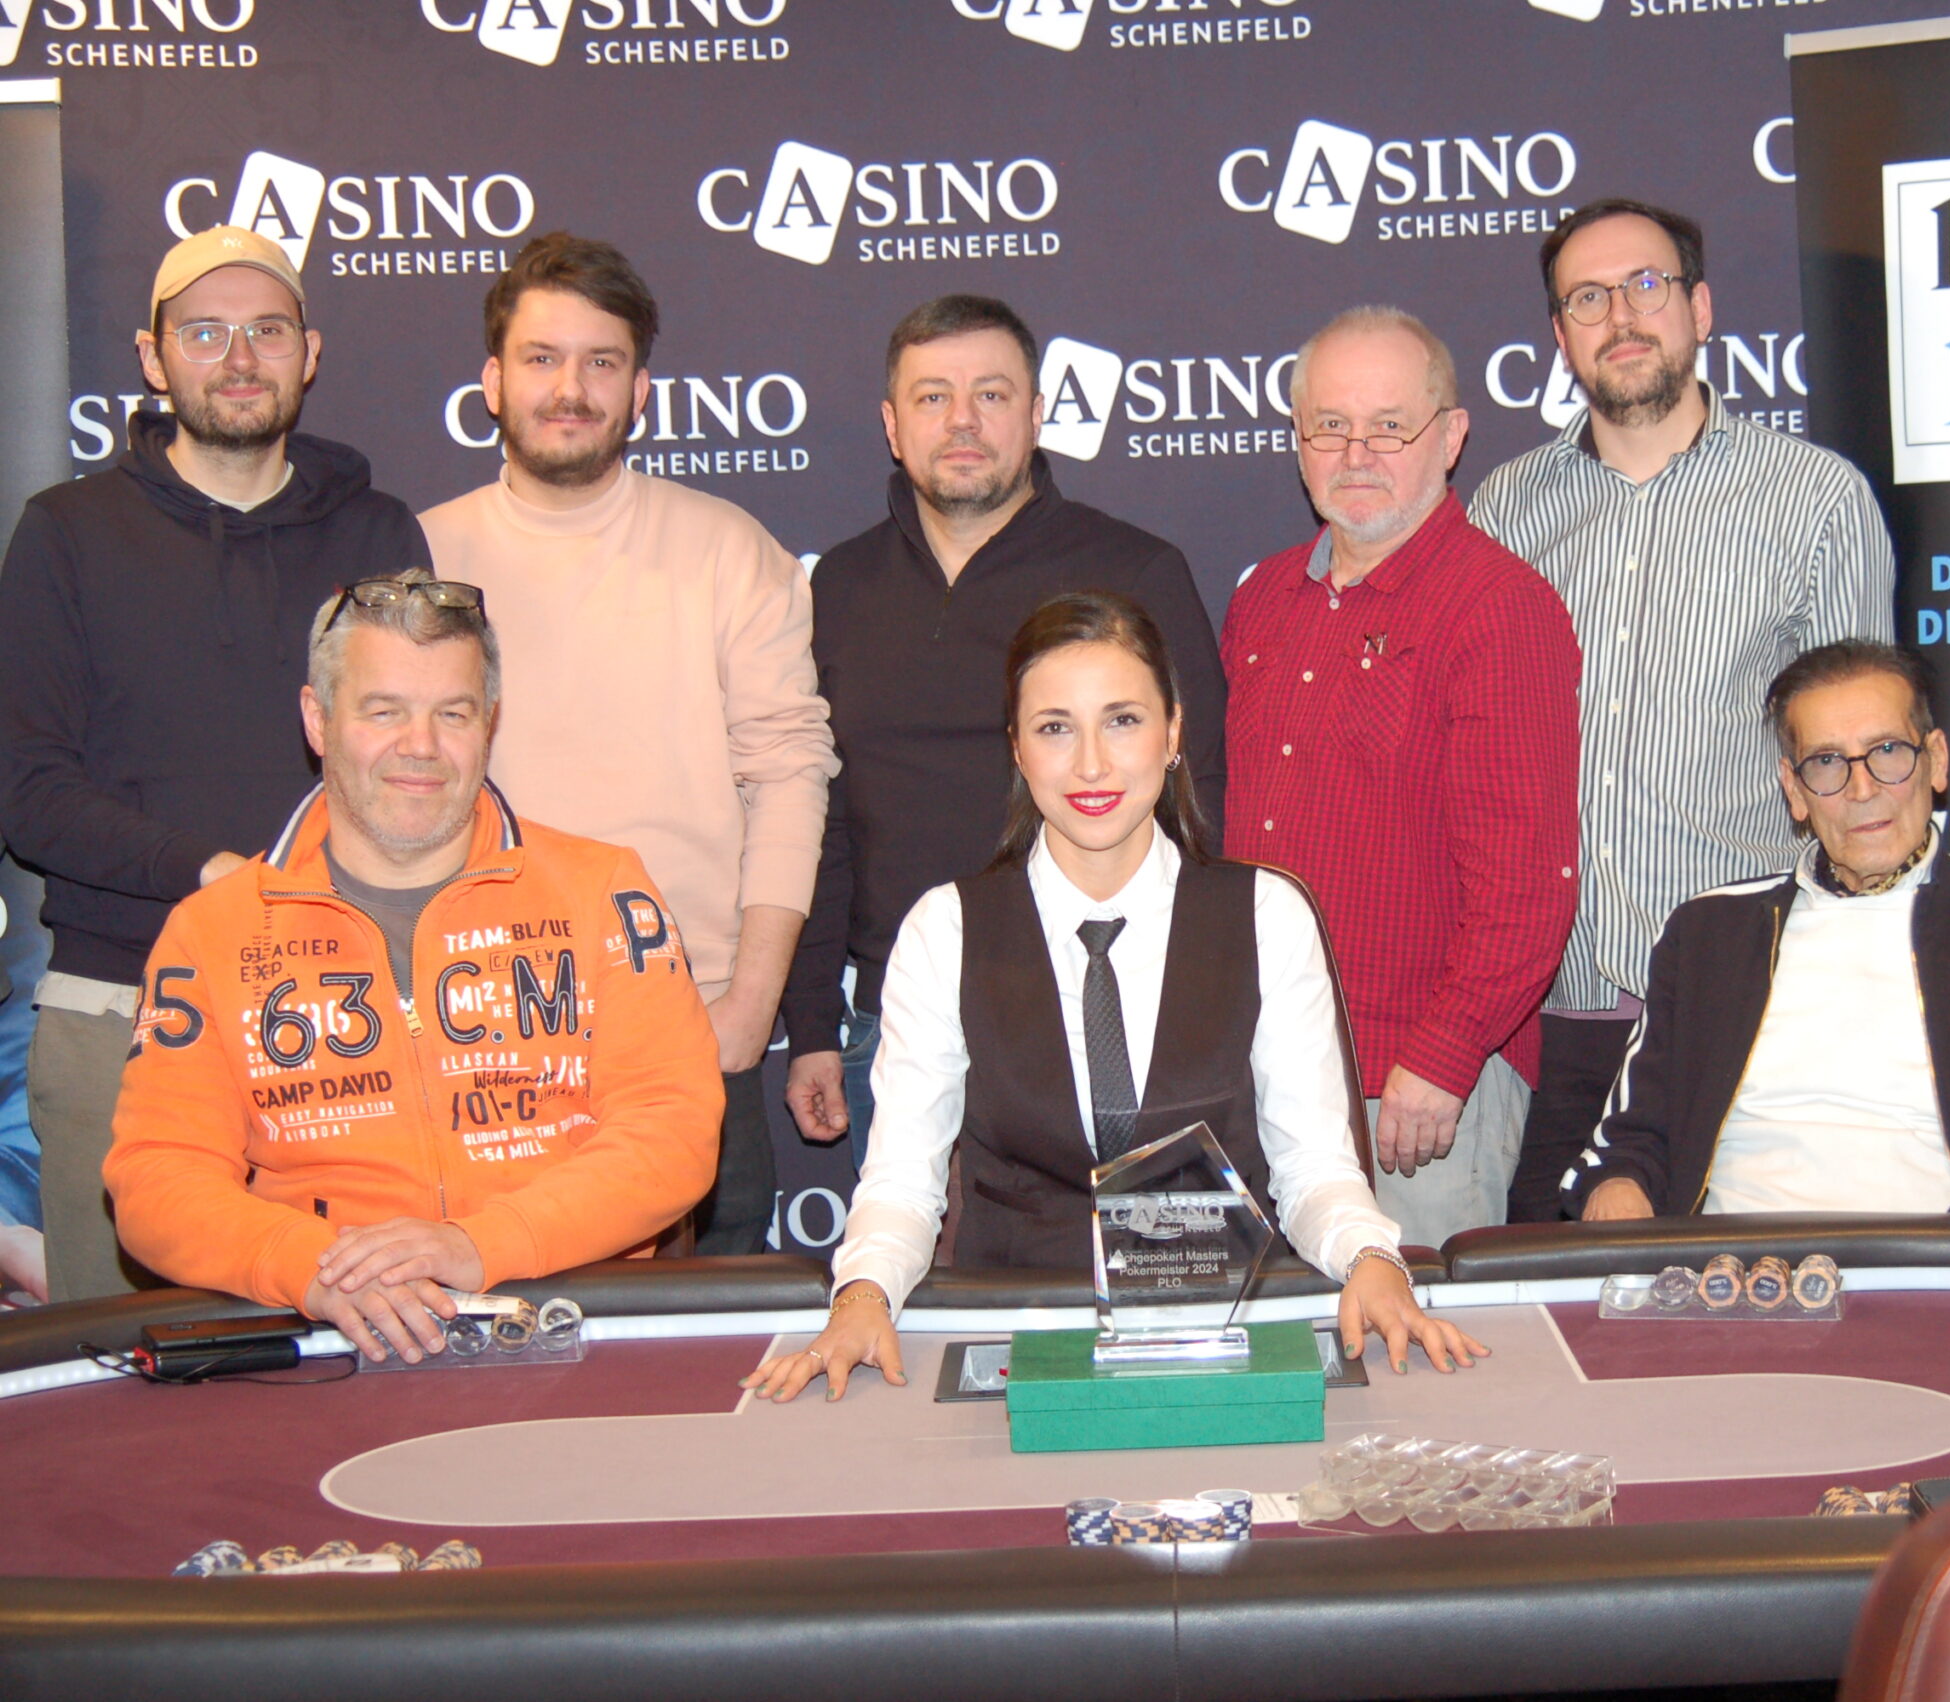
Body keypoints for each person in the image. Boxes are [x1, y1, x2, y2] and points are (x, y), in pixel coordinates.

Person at [742, 591, 1480, 1401]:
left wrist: (1372, 1259)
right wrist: (862, 1296)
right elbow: (902, 1182)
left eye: (1122, 721)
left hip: (1230, 1335)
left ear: (1173, 733)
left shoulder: (1267, 913)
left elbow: (1312, 1166)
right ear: (1017, 749)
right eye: (1055, 728)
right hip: (1023, 1336)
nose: (1091, 764)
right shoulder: (944, 930)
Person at [102, 572, 722, 1359]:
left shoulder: (603, 890)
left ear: (489, 722)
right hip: (329, 1338)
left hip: (569, 1318)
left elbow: (671, 1127)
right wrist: (311, 1270)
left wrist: (477, 1245)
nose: (420, 746)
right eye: (384, 711)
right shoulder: (210, 931)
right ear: (318, 719)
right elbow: (157, 1178)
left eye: (451, 714)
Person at [0, 225, 431, 1301]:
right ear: (154, 358)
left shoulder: (378, 532)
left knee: (351, 1357)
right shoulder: (65, 533)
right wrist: (219, 879)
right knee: (116, 1371)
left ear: (309, 353)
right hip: (121, 1013)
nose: (239, 358)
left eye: (267, 331)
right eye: (204, 333)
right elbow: (28, 791)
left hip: (345, 1019)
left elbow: (419, 765)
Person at [1470, 198, 1895, 1223]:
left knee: (1743, 1313)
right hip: (1551, 1017)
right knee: (1549, 1313)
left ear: (1699, 309)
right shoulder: (1504, 511)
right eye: (1587, 298)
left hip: (1743, 1012)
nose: (1620, 315)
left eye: (1645, 285)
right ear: (1560, 335)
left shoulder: (1814, 499)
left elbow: (1862, 777)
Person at [421, 233, 835, 1256]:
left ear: (639, 391)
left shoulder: (729, 550)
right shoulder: (420, 559)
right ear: (492, 382)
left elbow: (789, 776)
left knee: (704, 1345)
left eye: (601, 362)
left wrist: (749, 1006)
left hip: (687, 1033)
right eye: (542, 358)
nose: (571, 389)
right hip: (472, 1040)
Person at [778, 296, 1226, 1183]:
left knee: (1117, 1271)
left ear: (1036, 412)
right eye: (932, 397)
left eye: (991, 394)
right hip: (896, 1025)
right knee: (906, 1258)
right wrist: (813, 1028)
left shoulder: (1133, 571)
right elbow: (820, 821)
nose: (963, 421)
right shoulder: (841, 587)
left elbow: (1200, 796)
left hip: (1105, 1016)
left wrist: (1192, 1014)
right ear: (892, 425)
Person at [1566, 641, 1950, 1221]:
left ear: (1936, 760)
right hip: (1733, 1268)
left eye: (1887, 751)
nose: (1862, 789)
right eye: (1827, 762)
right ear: (1794, 790)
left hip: (1946, 1268)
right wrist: (1618, 1189)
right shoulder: (1709, 932)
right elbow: (1626, 1142)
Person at [1223, 306, 1581, 1249]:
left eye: (1390, 426)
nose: (1356, 453)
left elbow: (1527, 882)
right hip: (1261, 1069)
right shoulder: (1262, 601)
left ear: (1451, 437)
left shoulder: (1500, 608)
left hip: (1412, 1090)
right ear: (1297, 441)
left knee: (1411, 1332)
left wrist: (1447, 1054)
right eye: (1329, 426)